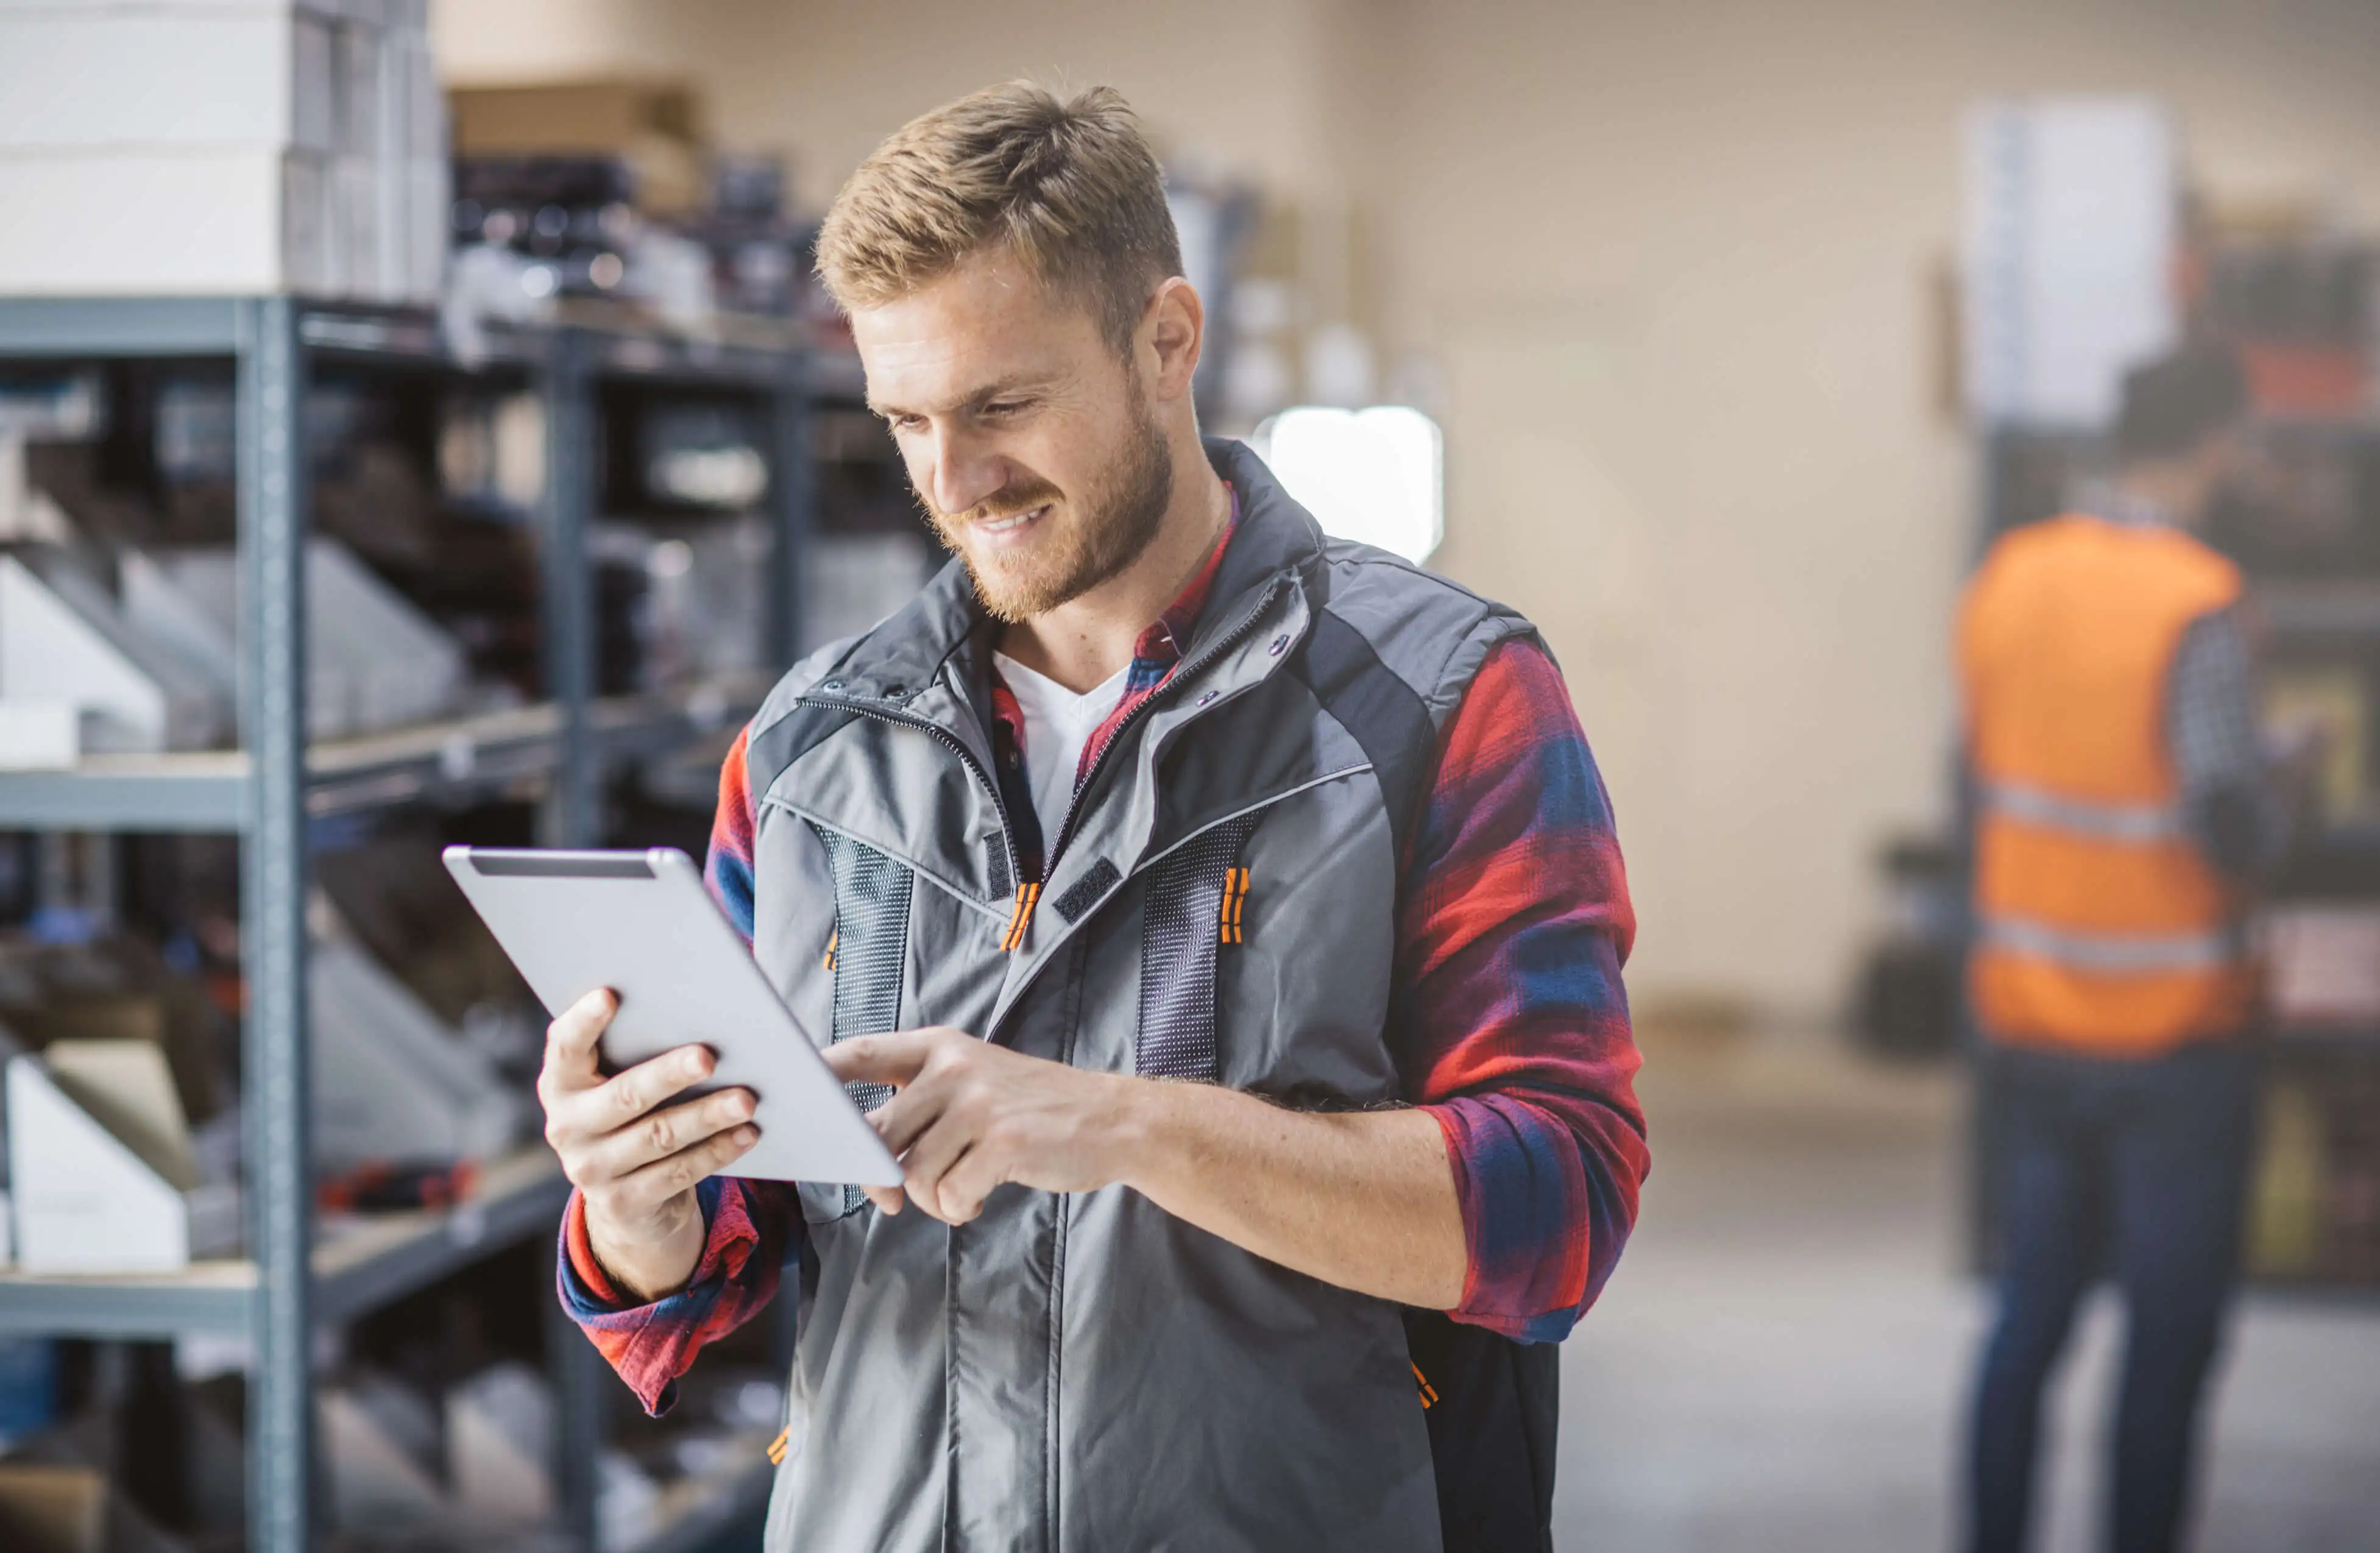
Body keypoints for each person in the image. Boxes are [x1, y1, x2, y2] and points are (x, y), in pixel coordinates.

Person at [534, 82, 1649, 1553]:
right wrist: (634, 1201)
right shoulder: (808, 750)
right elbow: (717, 1268)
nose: (955, 479)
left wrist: (1129, 1124)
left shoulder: (1442, 703)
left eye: (1003, 405)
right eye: (905, 419)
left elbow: (1555, 1205)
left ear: (1168, 340)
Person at [1958, 343, 2292, 1553]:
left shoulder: (2010, 573)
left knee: (2027, 1317)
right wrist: (2283, 784)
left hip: (2029, 1016)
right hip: (2172, 1036)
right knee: (2168, 1334)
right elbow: (2224, 809)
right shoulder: (2195, 599)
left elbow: (1988, 766)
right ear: (2216, 441)